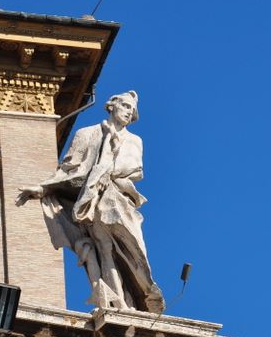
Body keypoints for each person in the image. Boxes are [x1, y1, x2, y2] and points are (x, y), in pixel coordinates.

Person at [16, 91, 164, 313]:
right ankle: (119, 303)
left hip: (119, 200)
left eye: (131, 110)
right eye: (124, 106)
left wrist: (104, 169)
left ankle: (141, 291)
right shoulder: (86, 134)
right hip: (93, 201)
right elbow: (67, 169)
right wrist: (44, 188)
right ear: (111, 106)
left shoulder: (134, 141)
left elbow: (132, 170)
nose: (128, 112)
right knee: (104, 248)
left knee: (133, 251)